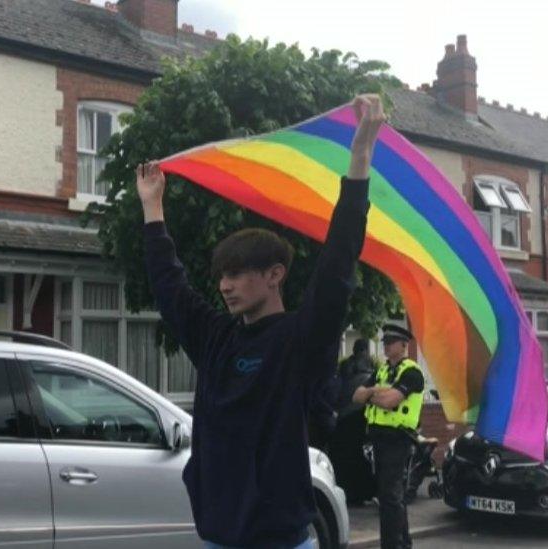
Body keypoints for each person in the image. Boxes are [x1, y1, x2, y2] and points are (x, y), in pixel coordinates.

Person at [138, 94, 386, 548]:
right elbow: (170, 288)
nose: (224, 286)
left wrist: (360, 158)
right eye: (221, 276)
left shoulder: (300, 340)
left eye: (236, 274)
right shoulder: (216, 337)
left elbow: (337, 268)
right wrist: (153, 207)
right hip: (217, 537)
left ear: (275, 276)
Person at [352, 322, 425, 549]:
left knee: (390, 497)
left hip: (397, 439)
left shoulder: (411, 372)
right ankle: (403, 543)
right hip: (378, 439)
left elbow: (390, 401)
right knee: (391, 496)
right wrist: (377, 392)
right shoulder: (382, 371)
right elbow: (356, 396)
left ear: (404, 345)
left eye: (391, 342)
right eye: (384, 341)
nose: (386, 345)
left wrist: (372, 393)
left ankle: (392, 545)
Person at [330, 338, 376, 503]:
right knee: (358, 454)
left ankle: (347, 493)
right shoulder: (371, 370)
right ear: (365, 350)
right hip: (360, 415)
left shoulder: (345, 367)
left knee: (344, 455)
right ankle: (362, 493)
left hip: (343, 416)